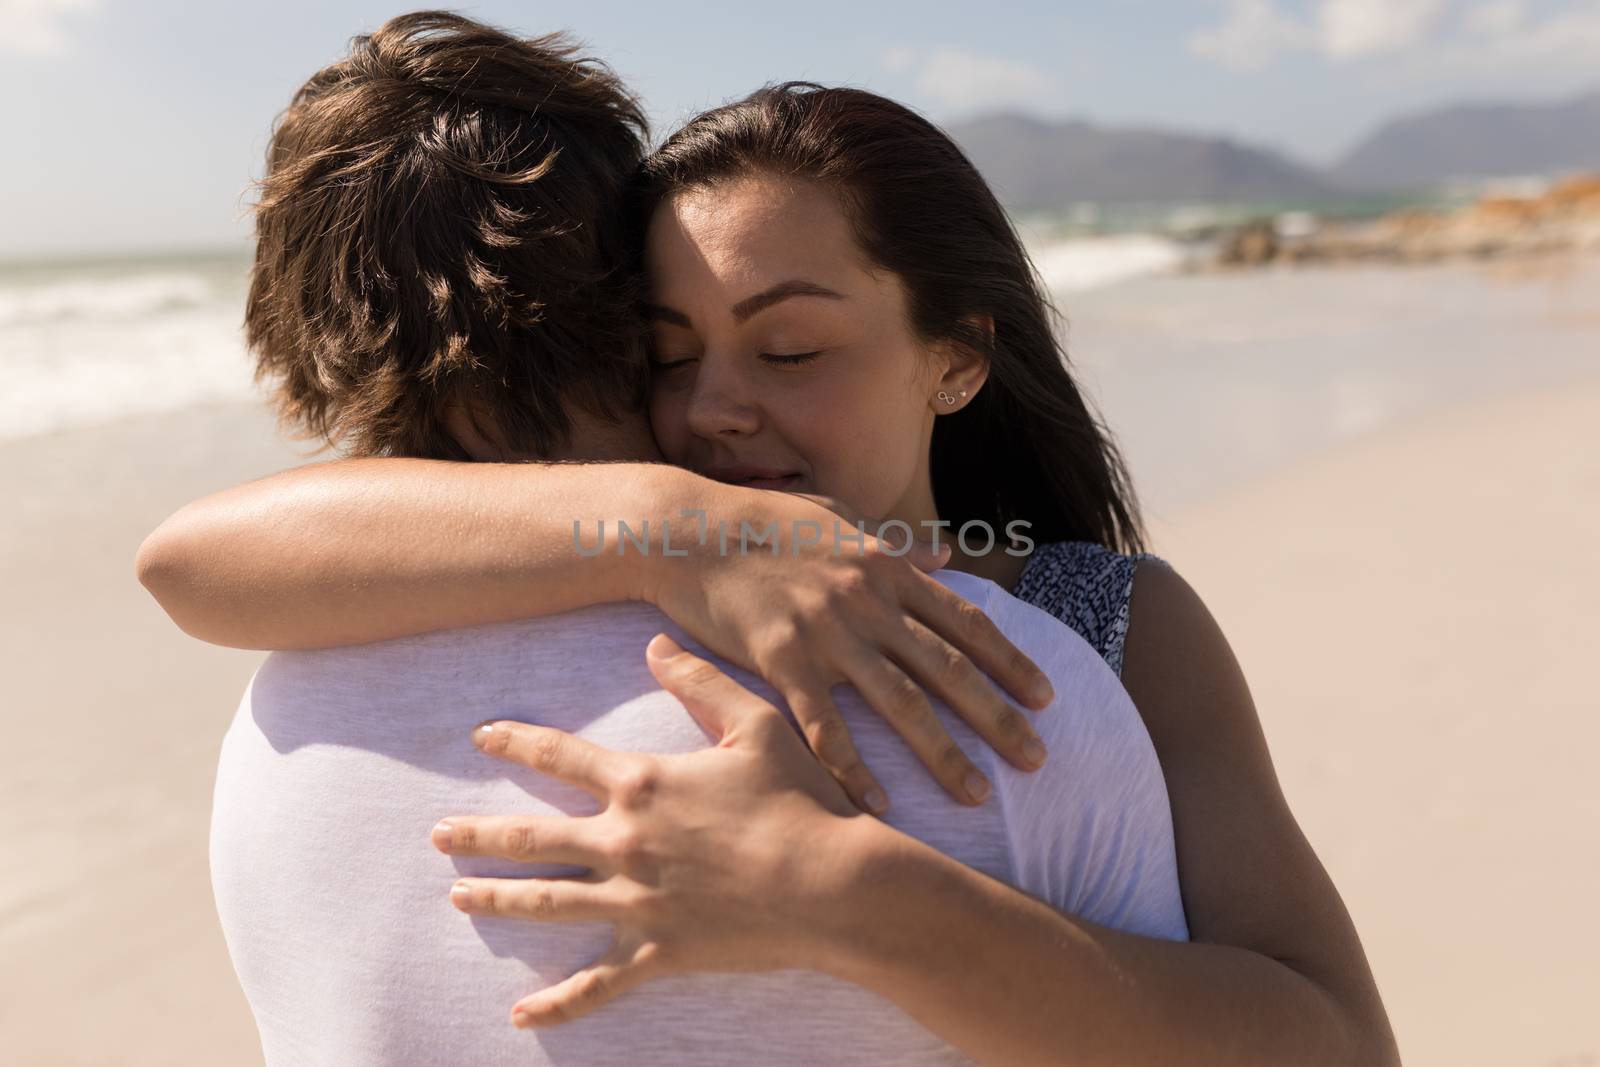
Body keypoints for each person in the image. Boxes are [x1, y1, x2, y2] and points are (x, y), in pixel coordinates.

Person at [142, 13, 1201, 1066]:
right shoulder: (1015, 703)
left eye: (788, 348)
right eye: (669, 351)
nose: (714, 410)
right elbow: (183, 559)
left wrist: (840, 891)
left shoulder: (1070, 639)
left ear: (957, 358)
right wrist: (671, 522)